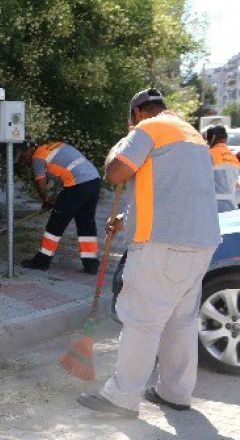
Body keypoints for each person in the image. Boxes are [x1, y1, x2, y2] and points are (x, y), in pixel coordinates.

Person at [77, 88, 219, 417]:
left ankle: (121, 399)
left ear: (138, 112)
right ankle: (175, 393)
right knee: (180, 322)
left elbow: (116, 173)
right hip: (200, 242)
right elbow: (174, 196)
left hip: (163, 246)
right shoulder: (192, 135)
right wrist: (126, 220)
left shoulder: (149, 129)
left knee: (142, 320)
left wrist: (120, 146)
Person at [19, 140, 101, 274]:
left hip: (78, 185)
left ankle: (41, 262)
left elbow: (41, 184)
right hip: (94, 181)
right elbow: (63, 178)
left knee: (55, 225)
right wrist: (54, 199)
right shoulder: (52, 147)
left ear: (30, 149)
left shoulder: (38, 156)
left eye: (23, 156)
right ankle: (91, 264)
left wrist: (45, 200)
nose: (25, 160)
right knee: (86, 224)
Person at [205, 125, 240, 212]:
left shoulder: (207, 155)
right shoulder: (233, 157)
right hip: (231, 207)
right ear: (225, 139)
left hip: (212, 206)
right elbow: (236, 186)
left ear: (210, 139)